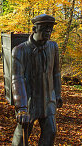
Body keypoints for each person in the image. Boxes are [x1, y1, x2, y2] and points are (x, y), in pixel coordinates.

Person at [11, 14, 63, 146]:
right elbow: (17, 79)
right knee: (22, 135)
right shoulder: (19, 50)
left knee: (51, 132)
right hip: (29, 100)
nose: (48, 31)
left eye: (50, 28)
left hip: (48, 100)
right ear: (34, 29)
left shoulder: (53, 47)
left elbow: (56, 73)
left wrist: (57, 94)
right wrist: (22, 107)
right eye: (45, 27)